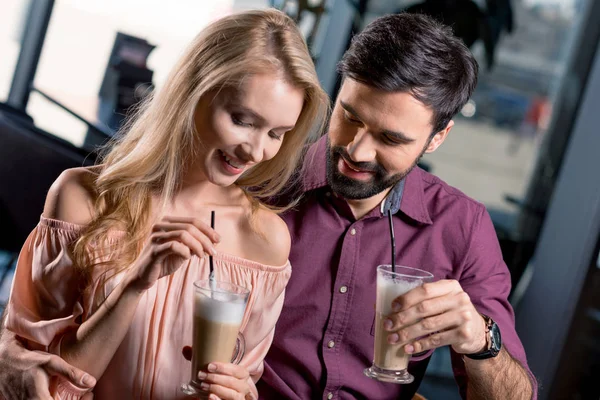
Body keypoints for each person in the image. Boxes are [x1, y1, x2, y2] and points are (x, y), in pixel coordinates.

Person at [0, 8, 328, 400]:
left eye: (277, 133)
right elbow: (41, 383)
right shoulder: (81, 199)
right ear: (193, 92)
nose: (256, 151)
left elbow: (244, 377)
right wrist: (135, 283)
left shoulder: (265, 239)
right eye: (242, 120)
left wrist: (241, 393)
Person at [255, 13, 537, 399]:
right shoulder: (263, 182)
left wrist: (478, 339)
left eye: (390, 138)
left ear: (437, 138)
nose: (356, 150)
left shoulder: (462, 227)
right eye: (350, 117)